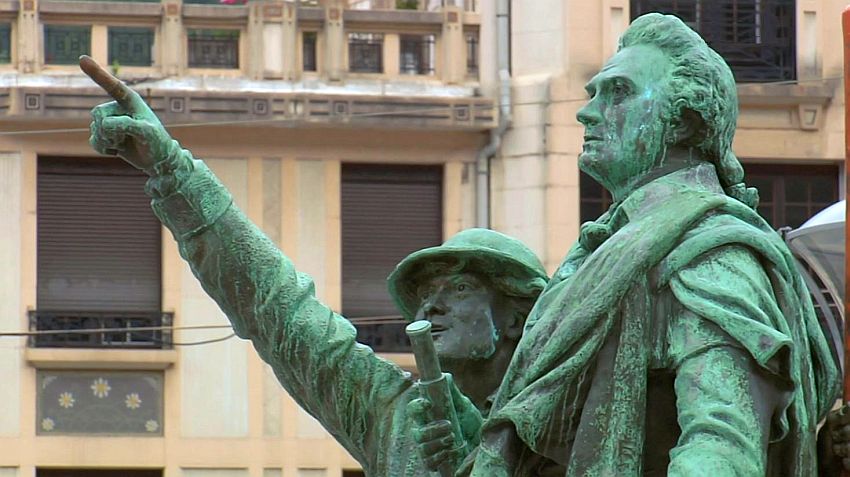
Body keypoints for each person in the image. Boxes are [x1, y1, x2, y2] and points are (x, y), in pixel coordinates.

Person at [85, 74, 548, 475]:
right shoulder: (395, 413)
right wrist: (172, 169)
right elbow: (277, 307)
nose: (432, 306)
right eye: (426, 294)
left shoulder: (564, 418)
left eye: (461, 288)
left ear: (515, 317)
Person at [467, 13, 840, 477]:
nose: (587, 111)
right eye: (593, 93)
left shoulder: (707, 248)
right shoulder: (613, 244)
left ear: (684, 121)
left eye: (618, 92)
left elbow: (724, 440)